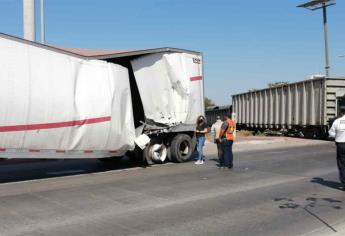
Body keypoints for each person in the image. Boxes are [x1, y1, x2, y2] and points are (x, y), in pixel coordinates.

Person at [328, 106, 345, 190]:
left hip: (341, 145)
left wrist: (337, 135)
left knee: (342, 164)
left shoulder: (337, 121)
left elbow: (331, 133)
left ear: (341, 112)